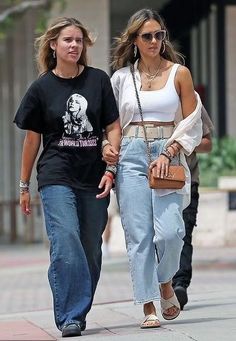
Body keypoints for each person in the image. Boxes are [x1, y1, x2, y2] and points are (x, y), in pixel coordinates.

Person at [14, 17, 121, 338]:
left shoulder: (98, 81)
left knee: (90, 247)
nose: (74, 45)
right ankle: (69, 316)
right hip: (55, 175)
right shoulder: (42, 87)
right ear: (53, 45)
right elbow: (32, 140)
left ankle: (78, 309)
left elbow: (113, 126)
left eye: (78, 41)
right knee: (65, 241)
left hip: (93, 177)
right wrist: (23, 185)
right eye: (67, 40)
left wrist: (111, 165)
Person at [103, 8, 203, 329]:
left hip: (168, 153)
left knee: (172, 232)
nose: (155, 41)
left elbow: (191, 122)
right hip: (131, 154)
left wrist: (171, 150)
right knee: (139, 235)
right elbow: (112, 123)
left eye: (159, 35)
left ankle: (164, 282)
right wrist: (109, 148)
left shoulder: (179, 74)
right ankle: (148, 305)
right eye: (147, 36)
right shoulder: (121, 78)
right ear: (134, 40)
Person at [173, 106, 214, 309]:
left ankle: (179, 285)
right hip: (155, 181)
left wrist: (183, 143)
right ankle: (163, 284)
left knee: (184, 234)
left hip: (188, 181)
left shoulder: (193, 103)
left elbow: (208, 144)